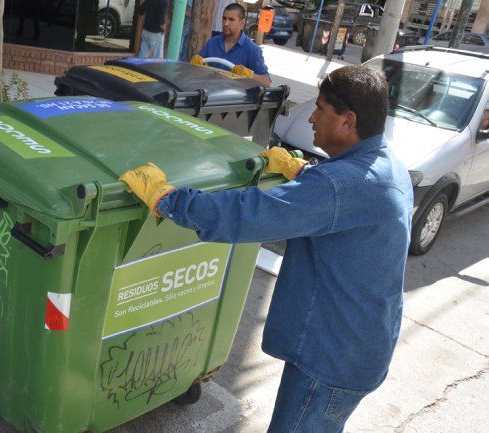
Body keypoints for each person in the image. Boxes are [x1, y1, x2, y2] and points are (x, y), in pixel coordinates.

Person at [119, 65, 413, 433]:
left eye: (321, 109)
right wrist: (303, 173)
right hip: (358, 348)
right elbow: (343, 198)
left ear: (348, 120)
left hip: (332, 360)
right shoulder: (388, 166)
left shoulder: (342, 187)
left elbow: (248, 215)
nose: (311, 118)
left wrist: (170, 199)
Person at [191, 3, 271, 85]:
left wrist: (250, 75)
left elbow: (267, 81)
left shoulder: (252, 49)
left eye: (231, 19)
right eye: (224, 18)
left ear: (241, 23)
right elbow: (197, 66)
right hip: (208, 93)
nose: (226, 23)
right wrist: (195, 65)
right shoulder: (212, 42)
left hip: (235, 96)